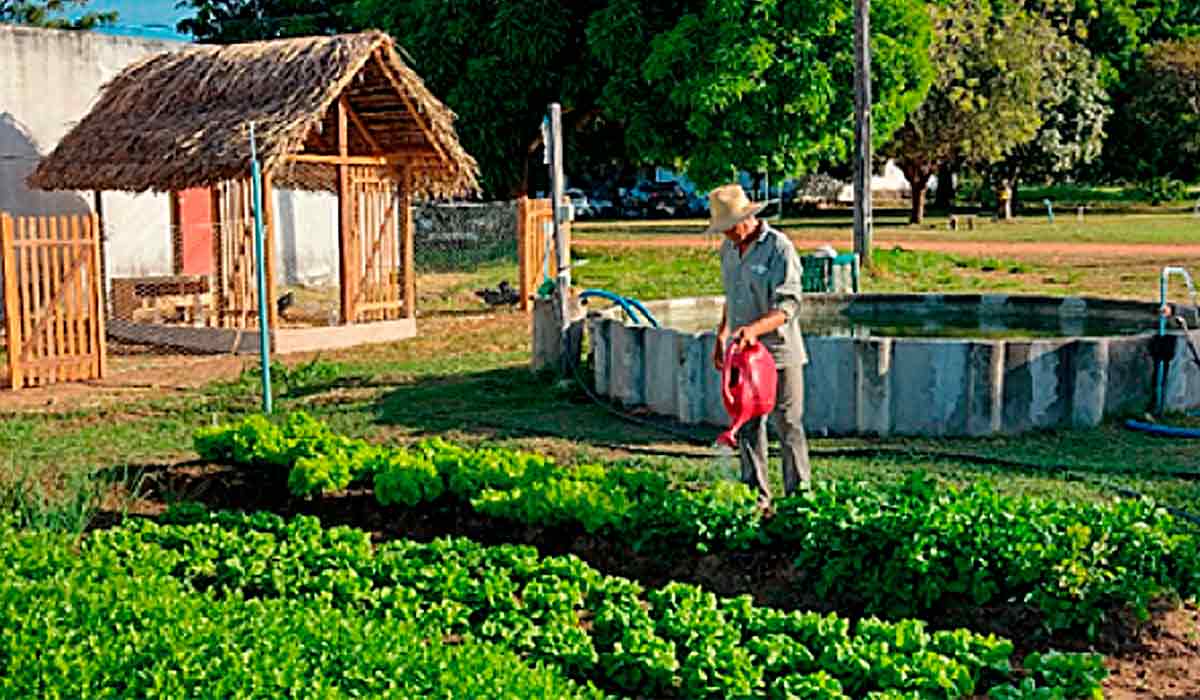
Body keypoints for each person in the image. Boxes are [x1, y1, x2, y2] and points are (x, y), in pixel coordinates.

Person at [707, 183, 811, 514]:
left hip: (778, 354)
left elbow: (788, 307)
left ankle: (798, 499)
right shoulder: (728, 250)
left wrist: (754, 330)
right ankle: (757, 500)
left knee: (788, 423)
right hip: (742, 357)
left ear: (746, 218)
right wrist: (723, 334)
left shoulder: (779, 249)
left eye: (729, 228)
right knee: (747, 424)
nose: (726, 235)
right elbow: (731, 297)